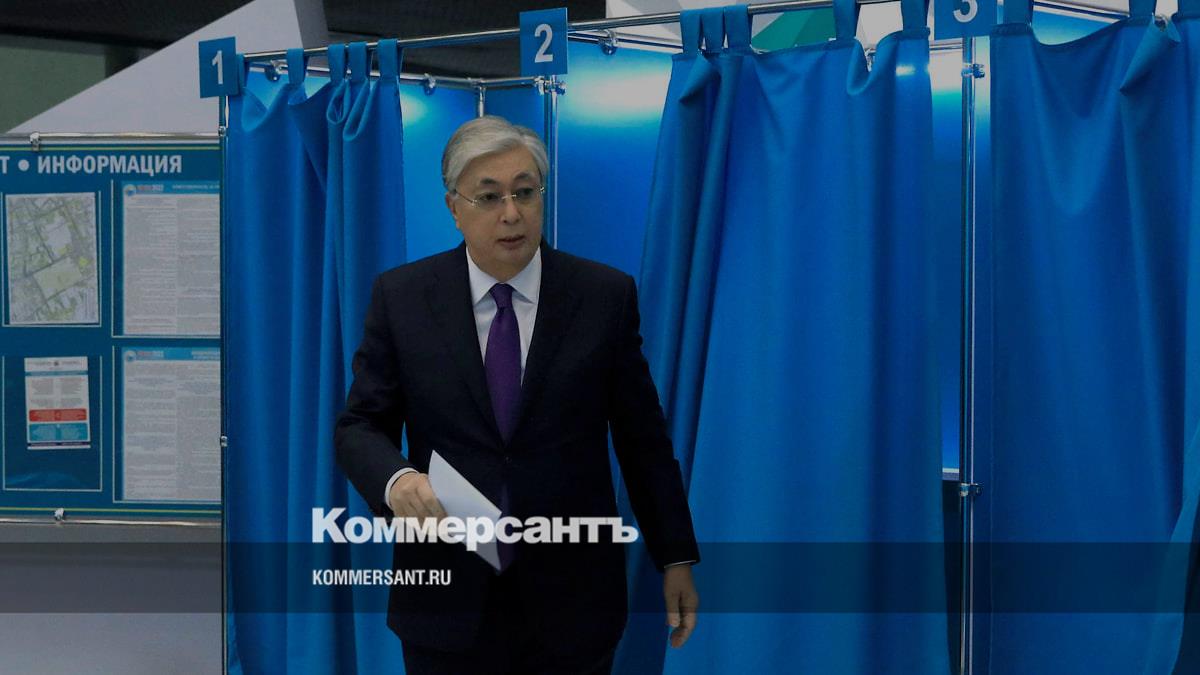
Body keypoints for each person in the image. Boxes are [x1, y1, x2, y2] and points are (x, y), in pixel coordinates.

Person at [335, 115, 699, 674]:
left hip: (573, 603)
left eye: (525, 193)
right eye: (489, 197)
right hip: (446, 601)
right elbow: (360, 425)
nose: (512, 213)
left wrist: (675, 556)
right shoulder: (403, 298)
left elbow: (642, 441)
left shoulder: (602, 296)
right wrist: (397, 479)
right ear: (454, 208)